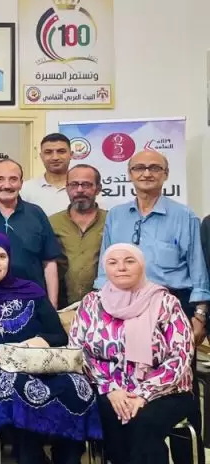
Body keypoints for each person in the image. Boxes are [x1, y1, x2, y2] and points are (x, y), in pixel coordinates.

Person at [0, 232, 99, 464]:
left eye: (1, 256)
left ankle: (68, 457)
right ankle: (32, 458)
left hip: (40, 363)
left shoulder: (31, 291)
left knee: (76, 386)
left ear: (10, 259)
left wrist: (37, 342)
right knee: (12, 389)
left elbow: (58, 335)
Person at [70, 243, 196, 464]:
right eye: (113, 262)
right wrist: (110, 388)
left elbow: (181, 356)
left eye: (129, 261)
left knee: (142, 423)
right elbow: (78, 351)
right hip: (108, 388)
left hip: (165, 391)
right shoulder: (91, 303)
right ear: (105, 268)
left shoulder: (166, 302)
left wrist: (143, 394)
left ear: (142, 265)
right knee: (109, 417)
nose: (121, 267)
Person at [96, 149, 208, 346]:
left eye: (155, 168)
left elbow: (197, 268)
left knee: (175, 364)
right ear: (129, 174)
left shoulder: (184, 216)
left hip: (172, 305)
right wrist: (99, 306)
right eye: (139, 168)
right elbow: (105, 267)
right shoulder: (116, 215)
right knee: (123, 363)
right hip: (121, 306)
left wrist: (200, 315)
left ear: (166, 174)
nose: (146, 173)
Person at [0, 159, 62, 307]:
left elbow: (49, 262)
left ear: (21, 183)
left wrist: (52, 306)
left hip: (32, 302)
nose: (7, 185)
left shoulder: (36, 214)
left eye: (13, 179)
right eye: (0, 179)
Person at [50, 164, 107, 306]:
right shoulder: (52, 222)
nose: (80, 190)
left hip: (104, 304)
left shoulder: (111, 221)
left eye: (86, 185)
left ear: (98, 189)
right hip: (62, 305)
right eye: (74, 185)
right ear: (67, 188)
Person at [20, 133, 71, 216]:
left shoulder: (82, 189)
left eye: (61, 151)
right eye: (48, 152)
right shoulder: (25, 189)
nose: (55, 157)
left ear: (71, 154)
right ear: (41, 156)